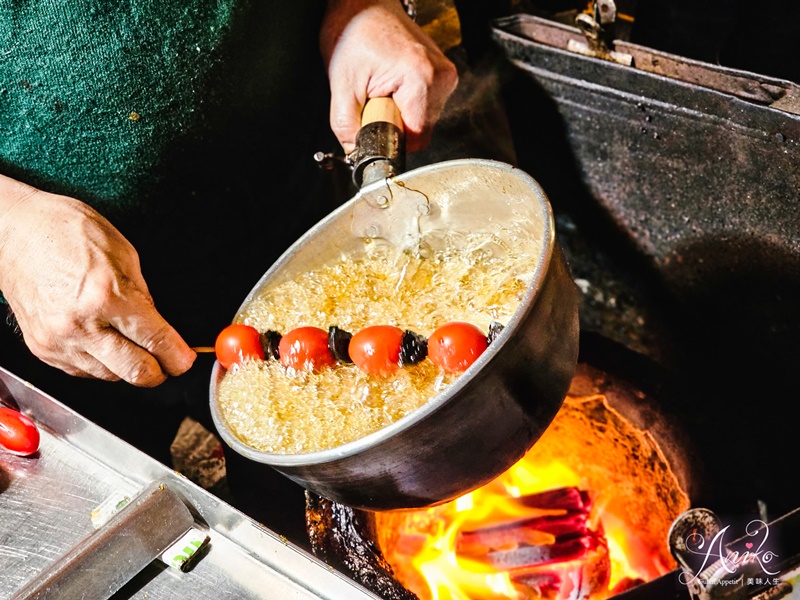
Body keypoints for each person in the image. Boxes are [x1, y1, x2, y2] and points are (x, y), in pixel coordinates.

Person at [0, 0, 456, 543]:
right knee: (103, 537)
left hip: (286, 218)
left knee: (314, 529)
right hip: (46, 303)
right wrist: (7, 226)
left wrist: (358, 8)